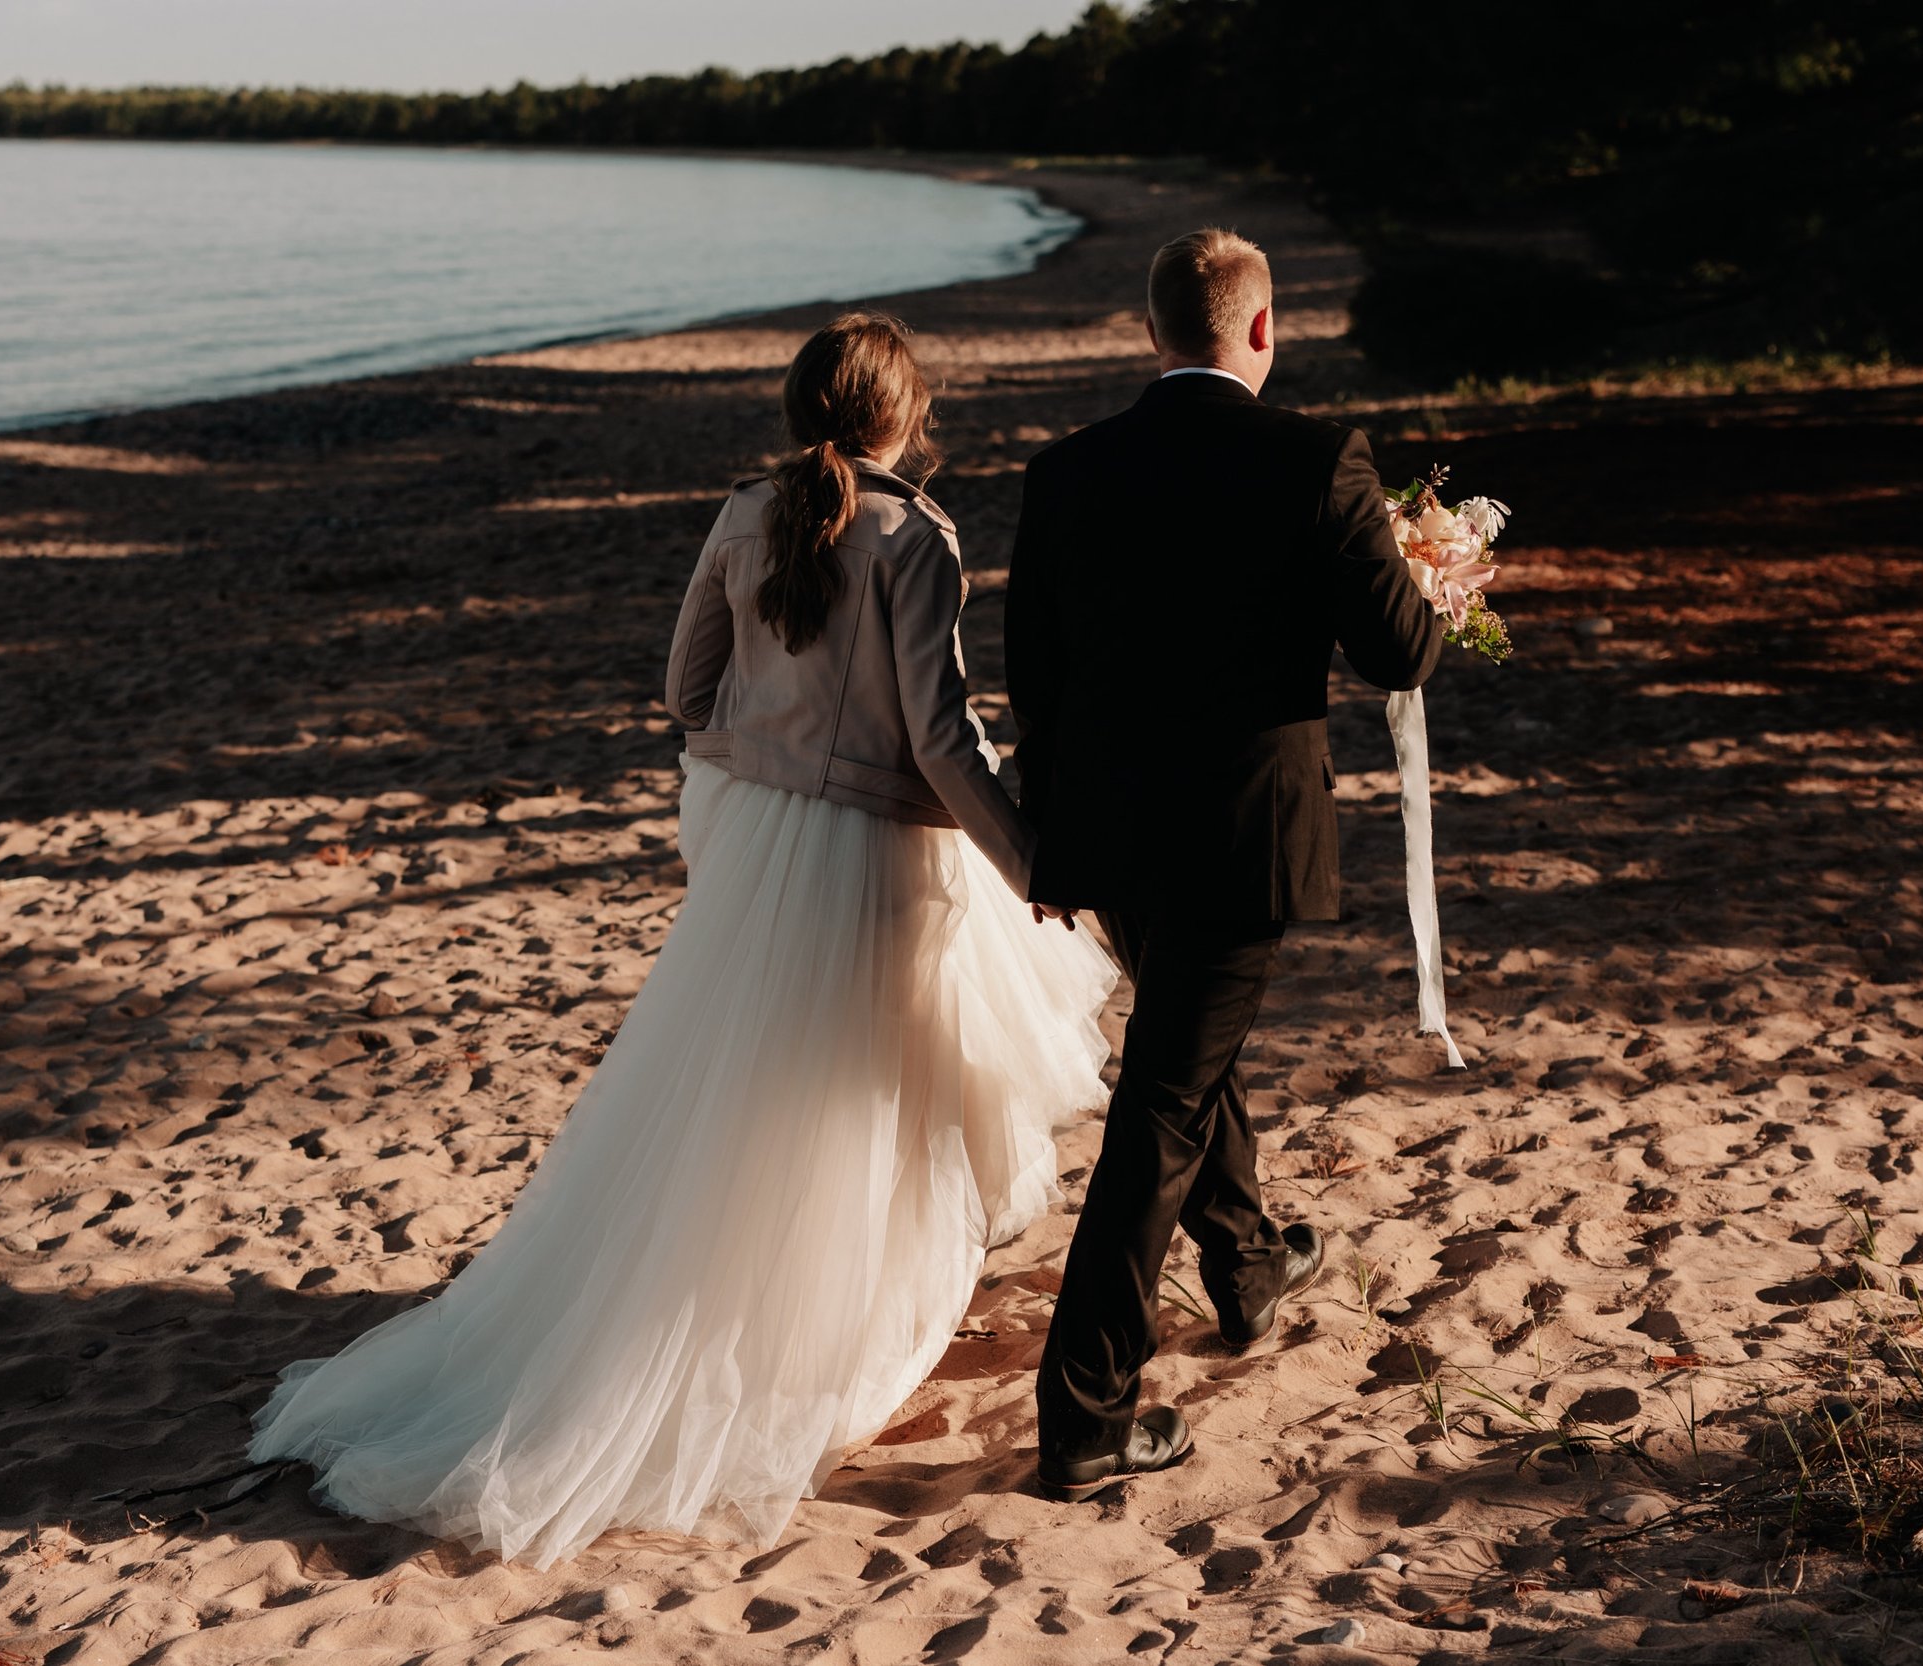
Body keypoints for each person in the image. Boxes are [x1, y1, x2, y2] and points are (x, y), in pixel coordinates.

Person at [250, 312, 1117, 1566]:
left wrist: (766, 751)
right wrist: (1031, 859)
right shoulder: (915, 534)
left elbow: (682, 693)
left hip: (760, 828)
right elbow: (939, 739)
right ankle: (819, 1355)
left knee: (735, 1090)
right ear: (899, 415)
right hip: (869, 843)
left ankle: (737, 1327)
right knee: (858, 1099)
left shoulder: (742, 511)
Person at [1006, 228, 1444, 1499]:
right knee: (1162, 1101)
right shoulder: (1316, 461)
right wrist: (1430, 589)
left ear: (1154, 334)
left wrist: (1056, 834)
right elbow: (1395, 656)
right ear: (1261, 330)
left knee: (1188, 1057)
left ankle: (1248, 1262)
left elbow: (1037, 676)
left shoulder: (1069, 470)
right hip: (1241, 836)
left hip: (1111, 833)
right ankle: (1084, 1408)